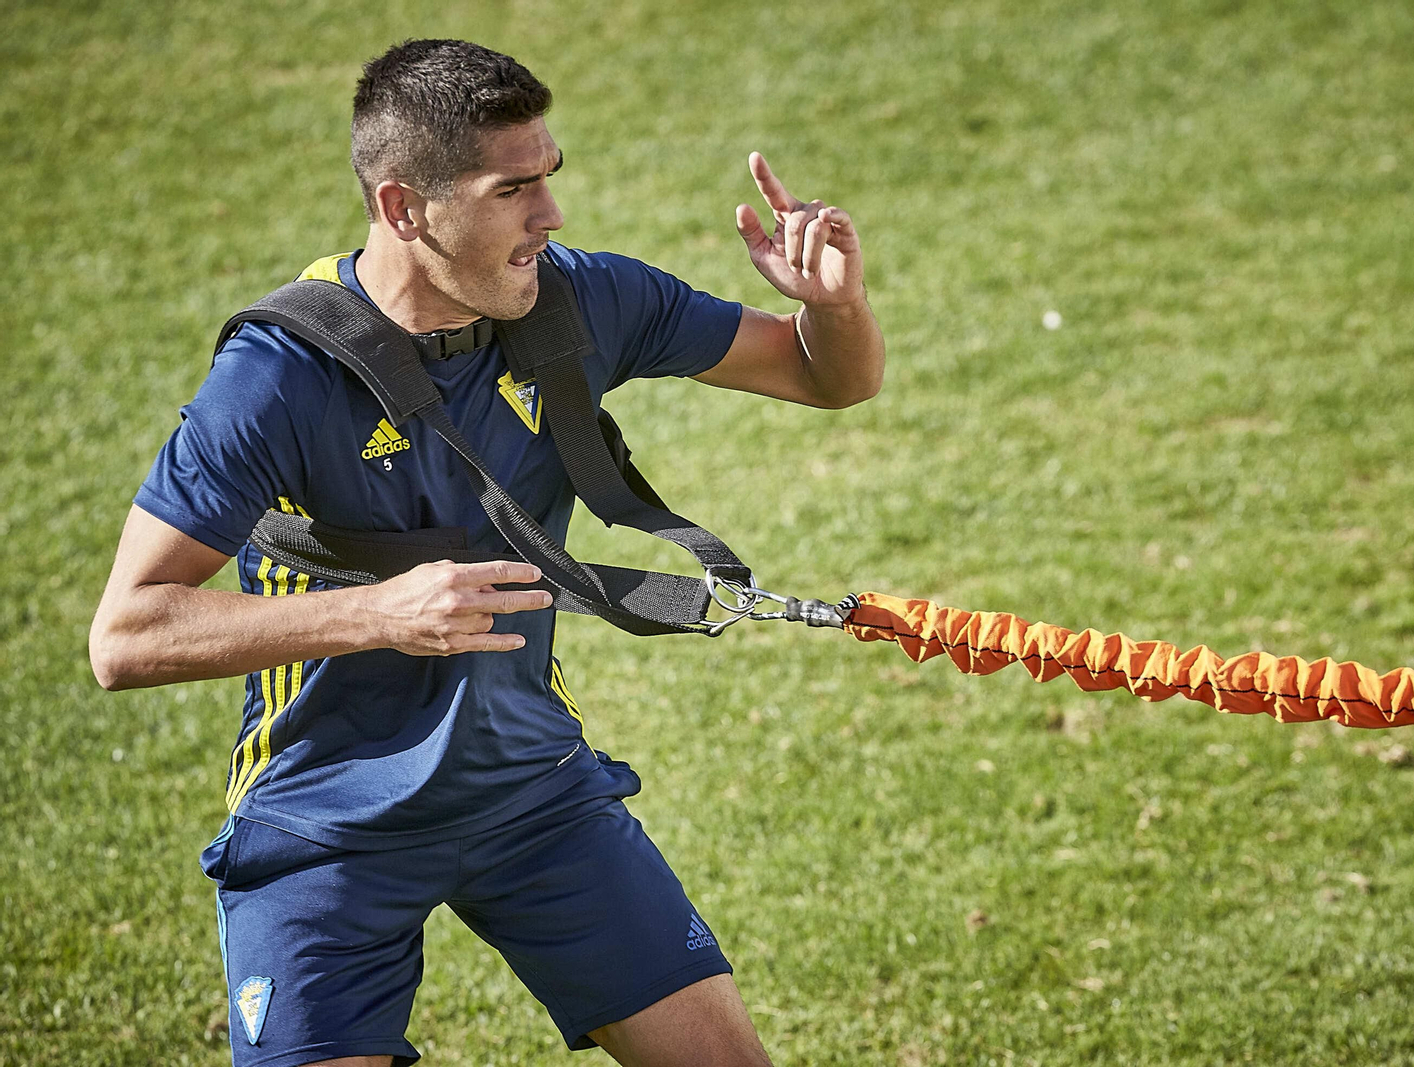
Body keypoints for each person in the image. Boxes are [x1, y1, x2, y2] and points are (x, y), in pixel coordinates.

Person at [88, 38, 884, 1067]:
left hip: (531, 792)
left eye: (548, 177)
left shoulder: (579, 299)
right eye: (512, 190)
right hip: (327, 820)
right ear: (403, 208)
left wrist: (833, 306)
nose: (549, 216)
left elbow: (828, 380)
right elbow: (125, 631)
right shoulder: (276, 380)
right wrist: (375, 614)